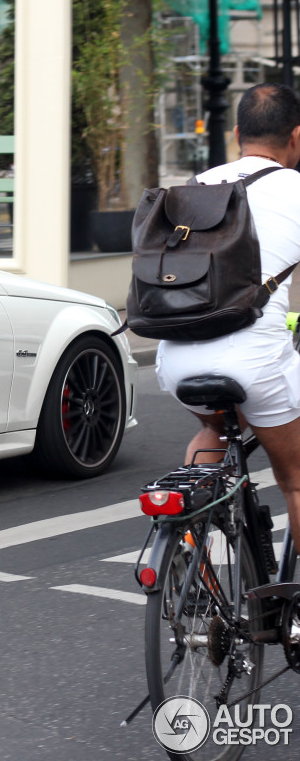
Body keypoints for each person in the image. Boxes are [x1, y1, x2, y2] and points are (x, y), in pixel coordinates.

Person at [155, 82, 300, 560]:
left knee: (216, 428)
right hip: (254, 362)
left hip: (175, 359)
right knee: (295, 481)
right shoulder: (296, 191)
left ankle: (192, 552)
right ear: (296, 137)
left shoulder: (194, 187)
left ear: (238, 133)